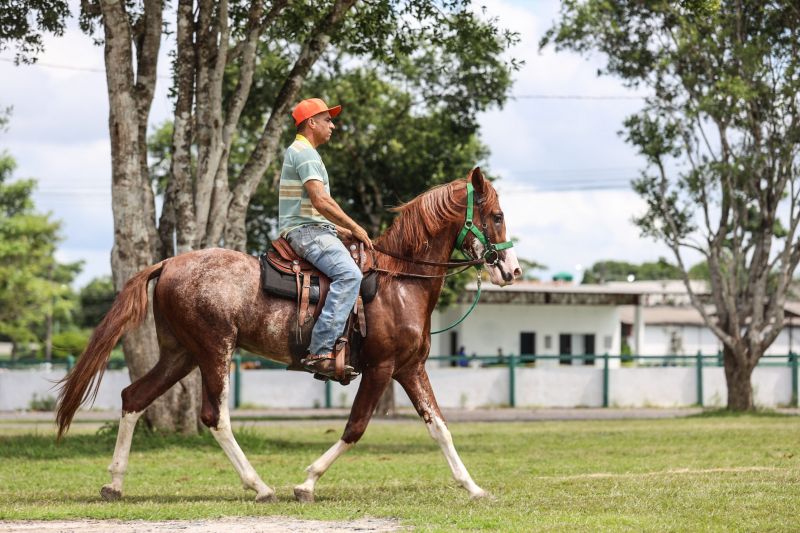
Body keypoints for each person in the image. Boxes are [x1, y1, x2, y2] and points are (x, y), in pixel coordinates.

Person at [278, 98, 373, 380]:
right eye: (327, 120)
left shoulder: (305, 152)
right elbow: (320, 201)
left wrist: (340, 230)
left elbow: (313, 207)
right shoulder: (305, 153)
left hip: (313, 227)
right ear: (312, 123)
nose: (332, 125)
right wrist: (355, 227)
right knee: (349, 275)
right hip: (307, 232)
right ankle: (320, 351)